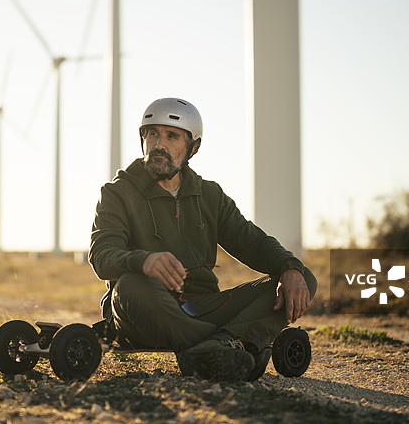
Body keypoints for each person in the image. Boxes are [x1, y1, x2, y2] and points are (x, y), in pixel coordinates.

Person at [89, 98, 317, 382]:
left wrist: (289, 267)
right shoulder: (117, 193)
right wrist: (143, 261)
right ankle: (231, 344)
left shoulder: (209, 195)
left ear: (192, 148)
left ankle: (218, 345)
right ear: (142, 138)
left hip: (205, 306)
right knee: (130, 286)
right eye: (152, 133)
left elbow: (253, 243)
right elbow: (102, 254)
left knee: (302, 277)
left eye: (171, 136)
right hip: (148, 309)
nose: (159, 144)